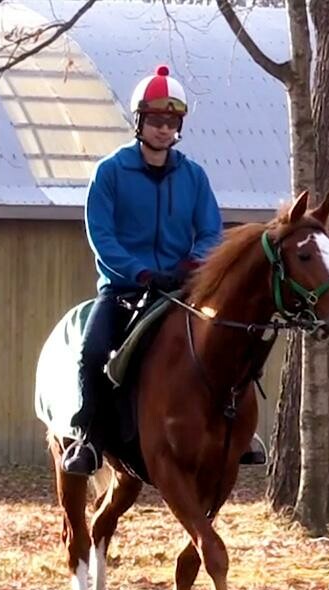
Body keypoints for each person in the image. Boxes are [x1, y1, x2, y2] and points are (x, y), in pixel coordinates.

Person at [62, 64, 265, 475]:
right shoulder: (110, 173)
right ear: (140, 121)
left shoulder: (193, 176)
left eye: (171, 122)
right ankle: (89, 438)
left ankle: (240, 431)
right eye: (156, 120)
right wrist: (141, 273)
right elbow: (102, 236)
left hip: (183, 288)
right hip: (125, 289)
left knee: (235, 340)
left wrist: (189, 267)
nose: (163, 129)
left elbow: (210, 230)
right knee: (93, 351)